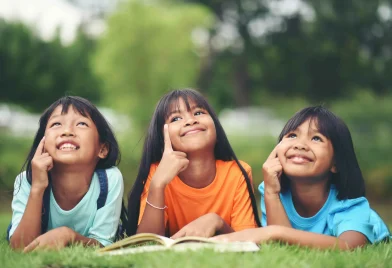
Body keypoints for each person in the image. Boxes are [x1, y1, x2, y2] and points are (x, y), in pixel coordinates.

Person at [214, 106, 390, 249]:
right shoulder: (273, 191)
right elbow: (282, 249)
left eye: (316, 138)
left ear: (335, 163)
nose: (300, 144)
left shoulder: (350, 205)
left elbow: (349, 247)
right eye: (292, 135)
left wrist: (275, 232)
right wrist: (271, 192)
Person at [127, 89, 261, 238]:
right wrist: (157, 185)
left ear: (216, 129)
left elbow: (248, 239)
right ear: (161, 139)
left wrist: (216, 222)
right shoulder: (157, 173)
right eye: (175, 119)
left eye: (198, 113)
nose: (190, 121)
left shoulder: (237, 172)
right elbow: (147, 242)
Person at [8, 96, 124, 252]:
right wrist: (37, 188)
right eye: (56, 124)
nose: (67, 131)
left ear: (102, 149)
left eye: (81, 123)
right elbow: (19, 248)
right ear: (42, 144)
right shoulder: (26, 181)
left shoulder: (110, 180)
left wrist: (69, 236)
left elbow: (104, 245)